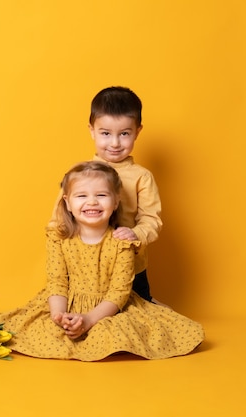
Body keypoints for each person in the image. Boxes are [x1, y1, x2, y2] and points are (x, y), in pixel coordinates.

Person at [0, 161, 204, 360]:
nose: (92, 202)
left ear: (116, 201)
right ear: (67, 202)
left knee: (117, 334)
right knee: (32, 329)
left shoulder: (123, 242)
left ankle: (94, 328)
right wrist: (59, 315)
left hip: (108, 307)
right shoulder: (59, 238)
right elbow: (57, 282)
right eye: (81, 195)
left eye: (101, 195)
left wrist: (90, 319)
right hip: (66, 301)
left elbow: (119, 292)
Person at [49, 86, 163, 304]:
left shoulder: (142, 177)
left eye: (124, 134)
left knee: (140, 312)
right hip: (86, 265)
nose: (115, 143)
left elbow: (151, 220)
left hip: (130, 264)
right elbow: (59, 218)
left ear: (137, 132)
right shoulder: (78, 174)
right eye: (105, 133)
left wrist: (136, 234)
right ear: (92, 130)